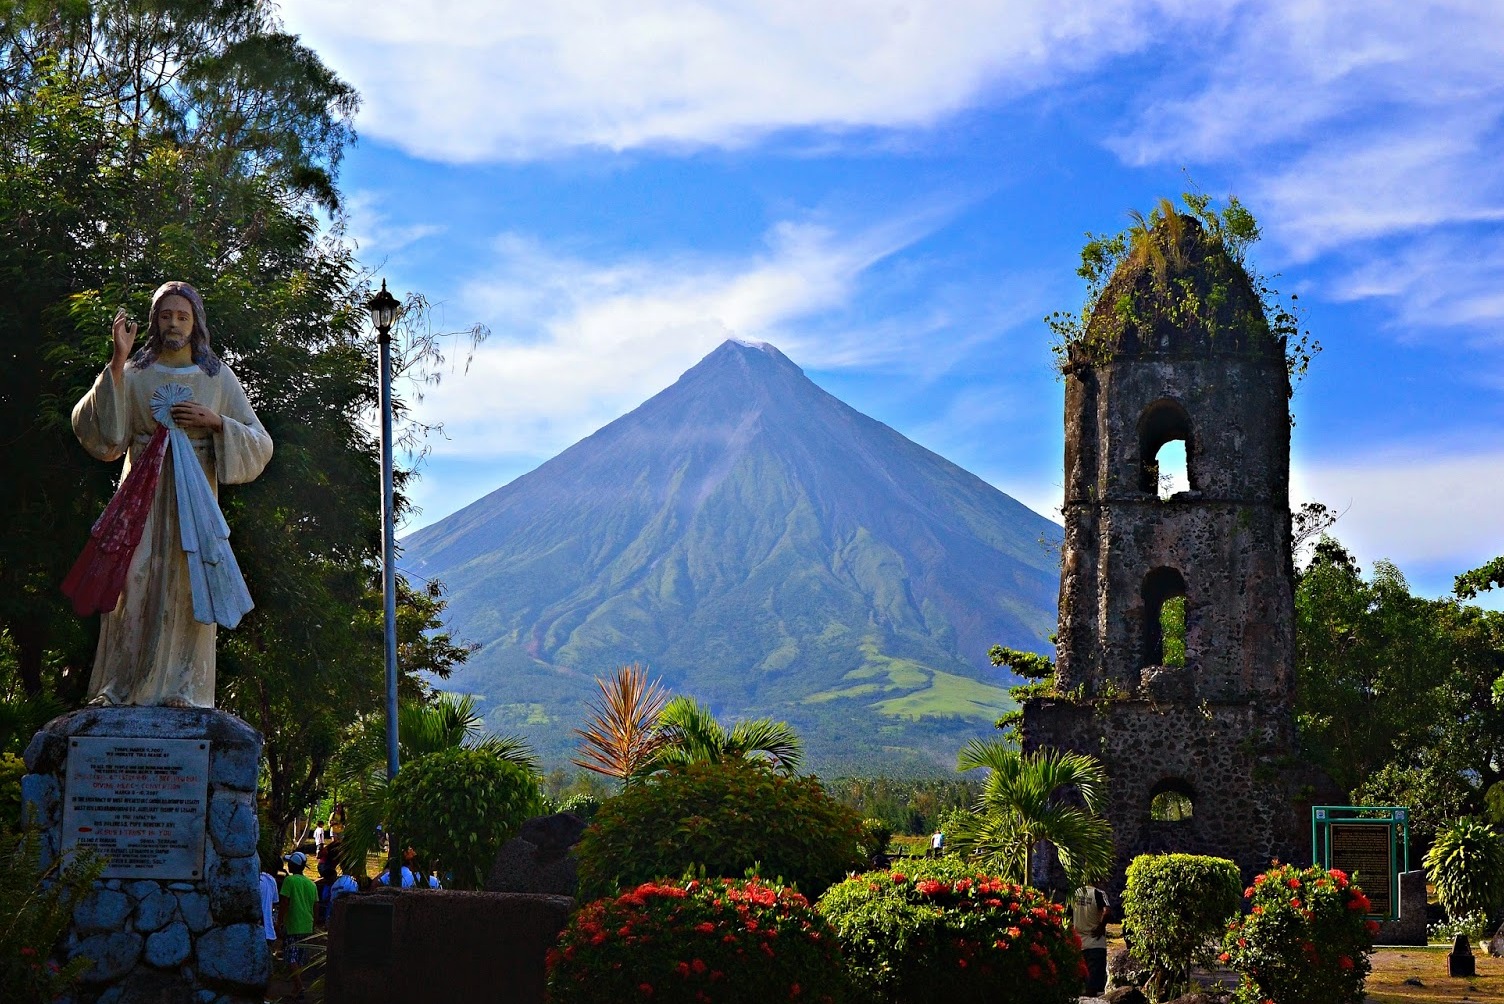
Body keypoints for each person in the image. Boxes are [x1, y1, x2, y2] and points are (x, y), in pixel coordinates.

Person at [65, 281, 273, 707]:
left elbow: (261, 442)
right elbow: (104, 436)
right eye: (165, 316)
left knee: (187, 583)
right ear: (154, 321)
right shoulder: (135, 373)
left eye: (182, 316)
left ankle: (184, 688)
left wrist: (216, 421)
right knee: (132, 581)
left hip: (192, 496)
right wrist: (118, 361)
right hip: (140, 491)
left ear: (195, 322)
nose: (173, 324)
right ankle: (116, 687)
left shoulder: (216, 377)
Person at [279, 851, 319, 1001]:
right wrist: (314, 923)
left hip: (293, 923)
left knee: (290, 957)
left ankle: (300, 986)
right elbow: (316, 905)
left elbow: (284, 902)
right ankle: (296, 987)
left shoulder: (289, 881)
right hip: (307, 925)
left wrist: (279, 922)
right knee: (299, 957)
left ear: (292, 865)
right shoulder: (311, 884)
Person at [1071, 878, 1112, 995]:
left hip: (1079, 942)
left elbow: (1069, 913)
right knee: (1095, 988)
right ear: (1098, 879)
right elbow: (1107, 911)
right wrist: (1101, 926)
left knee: (1080, 983)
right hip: (1095, 942)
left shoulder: (1076, 893)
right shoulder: (1099, 893)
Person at [259, 868, 279, 958]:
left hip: (258, 931)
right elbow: (275, 902)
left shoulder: (253, 881)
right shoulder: (270, 879)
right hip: (269, 932)